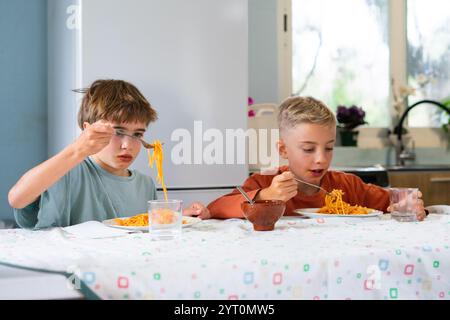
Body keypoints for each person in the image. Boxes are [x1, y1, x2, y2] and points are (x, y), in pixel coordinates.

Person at [9, 79, 210, 229]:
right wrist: (77, 149)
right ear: (88, 130)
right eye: (118, 132)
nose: (127, 145)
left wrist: (180, 217)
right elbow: (17, 198)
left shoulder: (145, 185)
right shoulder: (69, 173)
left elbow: (139, 227)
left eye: (137, 134)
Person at [208, 96, 427, 221]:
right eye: (308, 149)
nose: (321, 159)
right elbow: (216, 208)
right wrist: (266, 195)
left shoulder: (346, 186)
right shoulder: (264, 181)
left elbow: (393, 200)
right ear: (283, 149)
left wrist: (411, 205)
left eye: (329, 148)